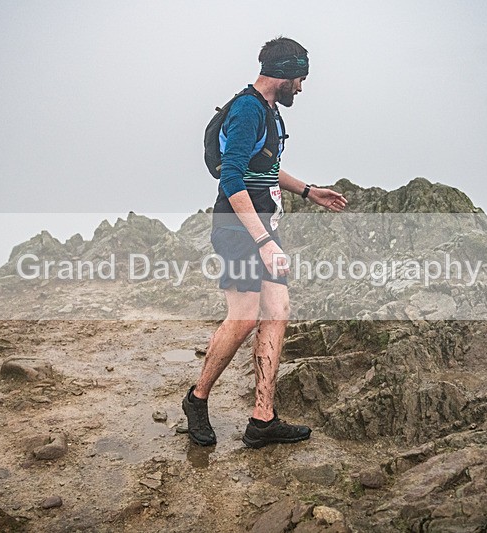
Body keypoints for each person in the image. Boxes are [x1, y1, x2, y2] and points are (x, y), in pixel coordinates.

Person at [183, 36, 348, 449]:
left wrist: (308, 191)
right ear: (285, 74)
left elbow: (267, 167)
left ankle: (262, 419)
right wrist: (263, 241)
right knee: (243, 318)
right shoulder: (247, 111)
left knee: (277, 311)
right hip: (239, 230)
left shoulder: (270, 111)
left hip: (261, 230)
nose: (301, 88)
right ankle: (196, 399)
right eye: (300, 79)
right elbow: (231, 177)